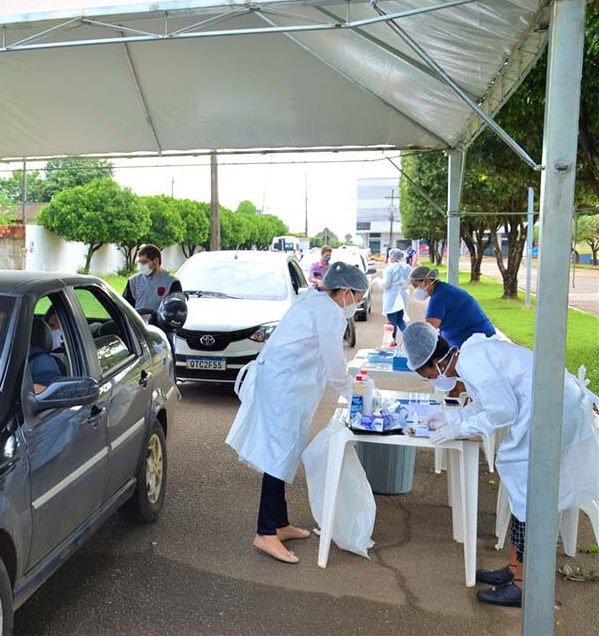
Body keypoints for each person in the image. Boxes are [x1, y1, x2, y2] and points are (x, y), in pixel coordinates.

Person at [404, 321, 599, 608]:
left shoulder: (473, 363)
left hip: (553, 410)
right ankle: (515, 569)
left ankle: (524, 585)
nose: (433, 380)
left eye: (429, 374)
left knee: (525, 491)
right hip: (547, 405)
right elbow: (487, 402)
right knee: (519, 486)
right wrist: (454, 419)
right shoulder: (469, 357)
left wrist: (460, 427)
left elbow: (503, 410)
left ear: (438, 361)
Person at [226, 262, 369, 564]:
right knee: (277, 457)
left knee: (284, 453)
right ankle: (265, 533)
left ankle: (279, 523)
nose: (357, 303)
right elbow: (335, 366)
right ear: (345, 292)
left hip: (283, 383)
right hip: (284, 388)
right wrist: (355, 396)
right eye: (357, 296)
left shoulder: (315, 300)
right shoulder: (329, 313)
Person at [409, 266, 495, 348]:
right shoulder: (445, 289)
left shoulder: (439, 298)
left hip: (474, 342)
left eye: (416, 286)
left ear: (427, 281)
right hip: (481, 337)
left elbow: (428, 330)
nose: (416, 290)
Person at [123, 245, 182, 311]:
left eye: (144, 262)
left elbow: (176, 309)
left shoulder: (172, 282)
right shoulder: (133, 281)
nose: (141, 266)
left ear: (156, 261)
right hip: (138, 320)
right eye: (140, 262)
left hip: (159, 321)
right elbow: (125, 307)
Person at [381, 248, 410, 345]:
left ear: (392, 257)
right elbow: (409, 281)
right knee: (400, 320)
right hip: (403, 295)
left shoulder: (389, 269)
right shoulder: (406, 267)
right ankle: (410, 339)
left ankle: (391, 341)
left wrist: (377, 281)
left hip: (392, 297)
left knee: (392, 320)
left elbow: (386, 284)